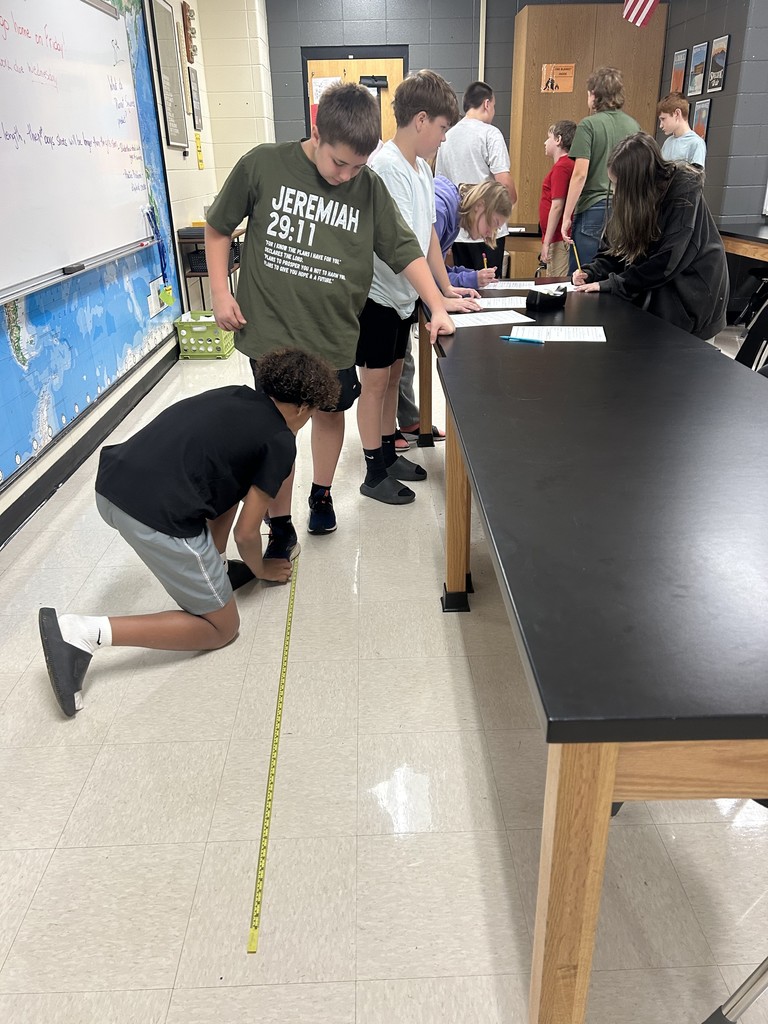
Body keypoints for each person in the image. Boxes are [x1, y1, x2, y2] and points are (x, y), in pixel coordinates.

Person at [204, 82, 455, 548]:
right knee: (276, 430)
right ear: (316, 134)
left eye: (358, 166)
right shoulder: (263, 164)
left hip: (334, 332)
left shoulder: (369, 186)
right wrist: (220, 292)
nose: (346, 175)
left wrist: (437, 304)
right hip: (272, 332)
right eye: (339, 162)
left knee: (329, 413)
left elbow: (405, 249)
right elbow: (218, 228)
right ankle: (279, 521)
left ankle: (321, 495)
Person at [38, 349, 341, 718]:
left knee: (224, 500)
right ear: (302, 407)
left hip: (111, 487)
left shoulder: (236, 395)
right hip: (153, 516)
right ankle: (84, 632)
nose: (308, 421)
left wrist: (216, 557)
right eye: (311, 414)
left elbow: (227, 486)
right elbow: (248, 533)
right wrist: (261, 569)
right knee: (222, 627)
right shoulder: (280, 441)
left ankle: (212, 566)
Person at [358, 70, 481, 504]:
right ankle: (373, 471)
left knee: (394, 375)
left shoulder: (422, 169)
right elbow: (401, 243)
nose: (444, 138)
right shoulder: (386, 167)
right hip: (377, 294)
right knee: (374, 383)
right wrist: (436, 299)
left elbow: (428, 234)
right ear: (422, 119)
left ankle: (389, 451)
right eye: (444, 128)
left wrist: (445, 291)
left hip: (403, 295)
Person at [394, 175, 513, 452]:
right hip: (392, 289)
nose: (488, 235)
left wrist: (468, 279)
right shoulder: (443, 202)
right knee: (393, 363)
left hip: (405, 291)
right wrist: (440, 299)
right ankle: (386, 434)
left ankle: (412, 420)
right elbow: (418, 256)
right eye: (492, 225)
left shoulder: (451, 212)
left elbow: (437, 270)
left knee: (403, 360)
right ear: (480, 205)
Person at [572, 133, 728, 341]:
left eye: (619, 185)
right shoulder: (631, 199)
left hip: (692, 295)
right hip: (657, 294)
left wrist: (615, 284)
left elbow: (667, 261)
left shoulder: (683, 192)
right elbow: (613, 250)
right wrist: (592, 272)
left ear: (635, 185)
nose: (616, 192)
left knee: (682, 366)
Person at [561, 67, 640, 272]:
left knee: (583, 275)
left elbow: (580, 174)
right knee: (616, 274)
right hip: (625, 210)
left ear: (595, 95)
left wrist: (567, 216)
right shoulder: (634, 126)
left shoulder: (588, 125)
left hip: (594, 208)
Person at [435, 80, 517, 275]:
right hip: (486, 223)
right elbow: (503, 181)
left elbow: (440, 180)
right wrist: (507, 206)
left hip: (457, 231)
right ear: (487, 104)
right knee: (488, 289)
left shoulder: (446, 136)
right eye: (494, 106)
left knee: (464, 283)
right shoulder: (490, 134)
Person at [538, 120, 577, 278]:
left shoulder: (562, 166)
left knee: (555, 283)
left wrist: (546, 243)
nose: (545, 142)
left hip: (558, 238)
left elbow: (557, 206)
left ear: (559, 140)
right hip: (557, 236)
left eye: (549, 138)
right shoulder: (566, 165)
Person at [657, 92, 707, 167]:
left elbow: (695, 177)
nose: (660, 125)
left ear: (677, 113)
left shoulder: (696, 143)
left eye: (663, 119)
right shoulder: (667, 143)